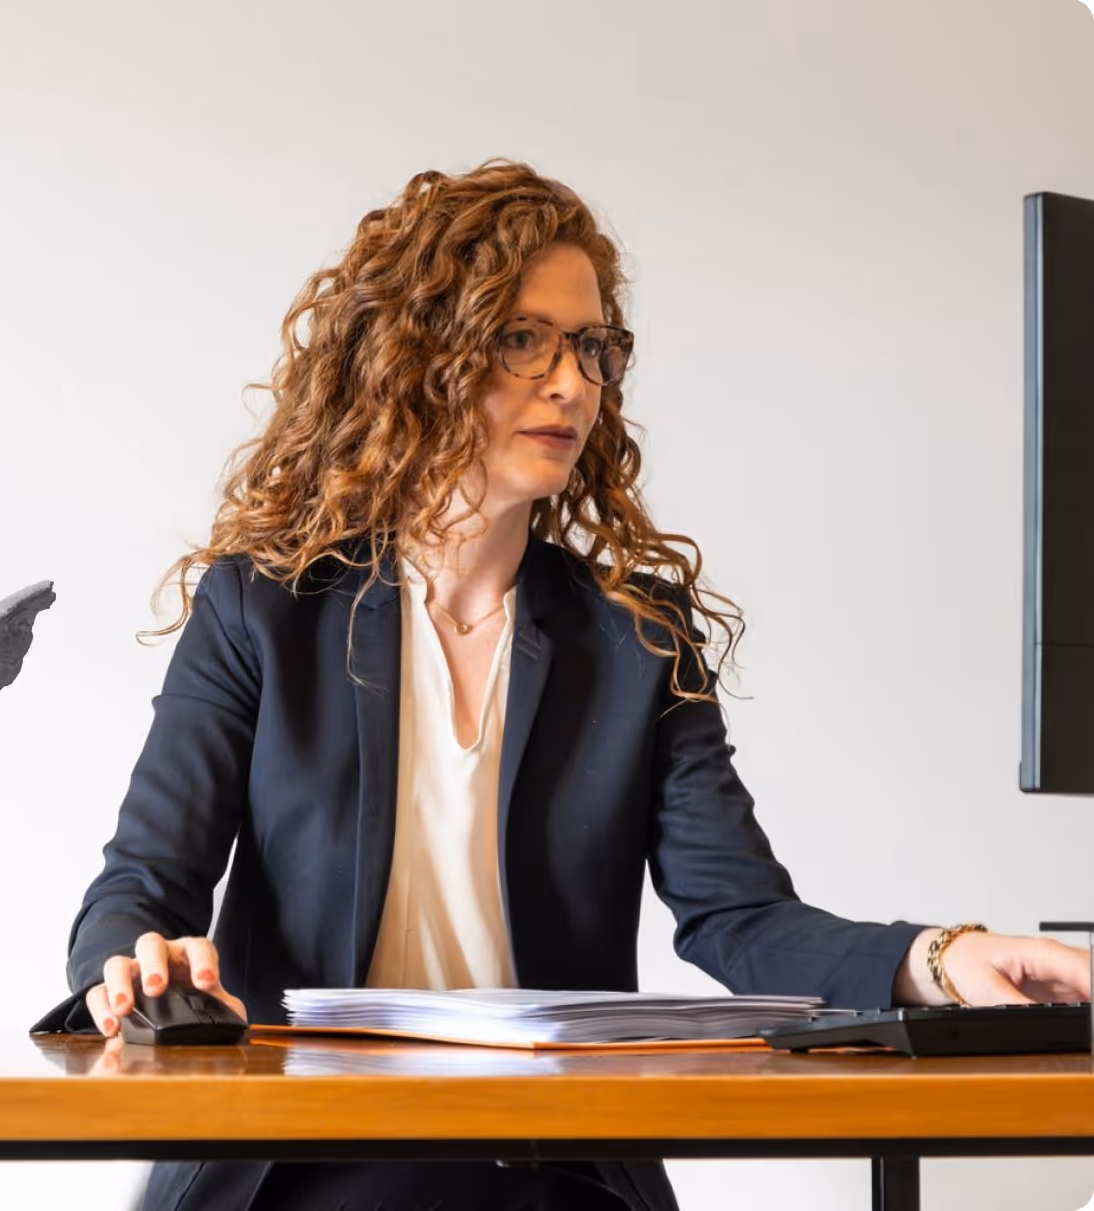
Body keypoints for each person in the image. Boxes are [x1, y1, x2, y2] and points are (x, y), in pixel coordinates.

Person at [62, 159, 1091, 1211]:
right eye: (523, 340)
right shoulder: (261, 611)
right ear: (417, 354)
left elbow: (737, 916)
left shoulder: (634, 638)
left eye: (592, 348)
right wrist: (136, 965)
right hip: (300, 1163)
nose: (571, 382)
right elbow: (140, 883)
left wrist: (941, 956)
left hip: (549, 1169)